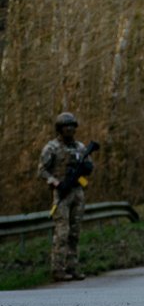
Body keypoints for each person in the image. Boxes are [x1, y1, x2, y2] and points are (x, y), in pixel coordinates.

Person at [38, 111, 93, 282]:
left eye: (72, 126)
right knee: (62, 232)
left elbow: (90, 166)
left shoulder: (80, 148)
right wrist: (55, 182)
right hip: (62, 192)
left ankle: (73, 267)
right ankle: (58, 269)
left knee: (75, 233)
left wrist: (87, 168)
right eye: (66, 126)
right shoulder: (51, 148)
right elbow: (41, 171)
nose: (69, 129)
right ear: (59, 129)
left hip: (78, 191)